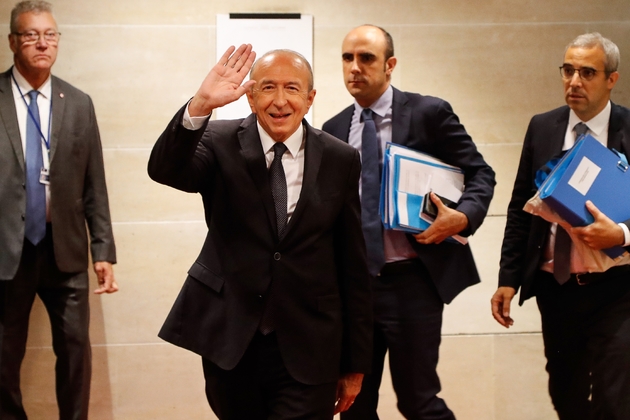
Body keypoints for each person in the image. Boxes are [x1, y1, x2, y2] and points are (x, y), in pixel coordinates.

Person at [148, 45, 372, 420]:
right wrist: (201, 104)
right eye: (267, 88)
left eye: (292, 88)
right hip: (233, 341)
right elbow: (166, 170)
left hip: (310, 344)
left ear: (310, 98)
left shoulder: (341, 158)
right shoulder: (218, 141)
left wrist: (356, 363)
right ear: (250, 96)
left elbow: (353, 264)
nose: (280, 101)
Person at [322, 25, 495, 420]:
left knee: (418, 402)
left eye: (366, 58)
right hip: (354, 288)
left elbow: (481, 174)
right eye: (347, 58)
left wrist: (463, 216)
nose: (354, 68)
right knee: (352, 405)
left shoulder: (428, 113)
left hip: (413, 281)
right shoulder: (332, 130)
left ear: (390, 65)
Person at [491, 32, 630, 419]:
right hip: (558, 287)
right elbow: (520, 209)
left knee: (613, 393)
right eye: (568, 70)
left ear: (611, 79)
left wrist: (621, 235)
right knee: (565, 390)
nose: (574, 81)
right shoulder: (542, 127)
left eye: (587, 72)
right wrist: (508, 279)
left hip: (619, 289)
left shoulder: (629, 128)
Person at [0, 1, 118, 419]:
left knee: (74, 351)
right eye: (30, 35)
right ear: (13, 41)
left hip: (64, 247)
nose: (41, 43)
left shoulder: (78, 102)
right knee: (3, 355)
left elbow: (94, 183)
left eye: (49, 35)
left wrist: (102, 250)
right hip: (6, 251)